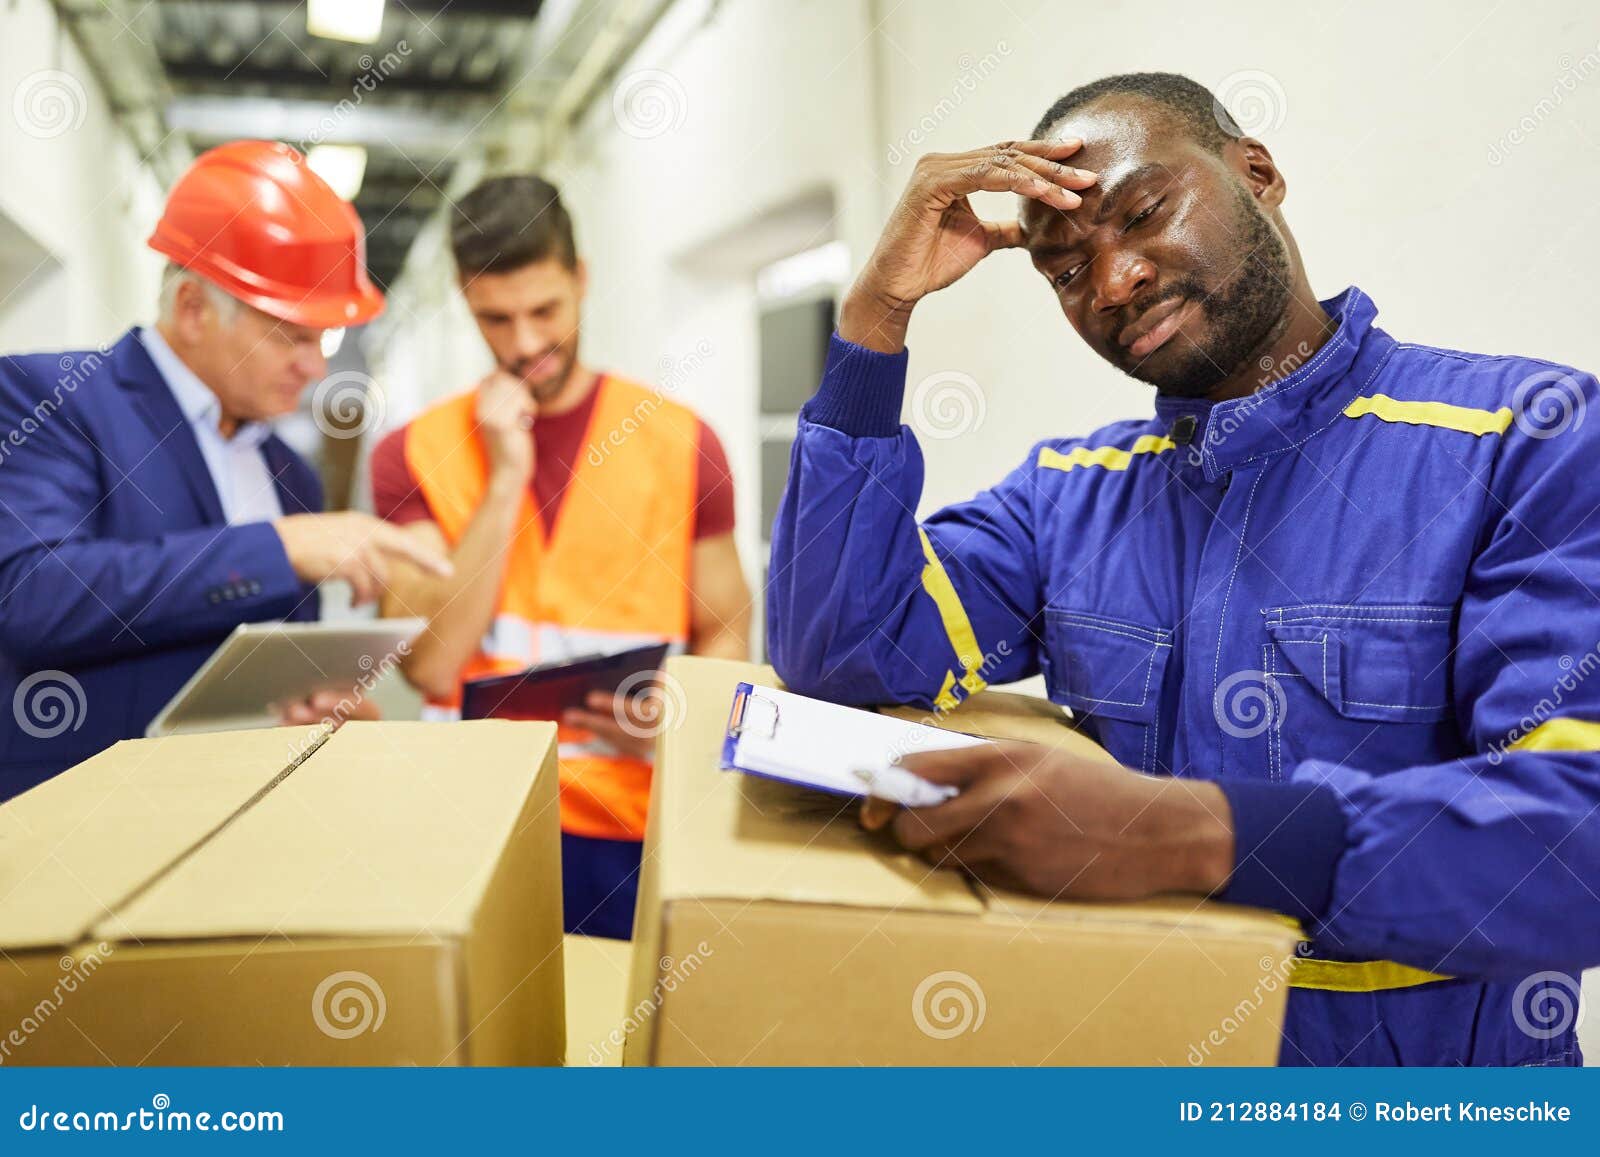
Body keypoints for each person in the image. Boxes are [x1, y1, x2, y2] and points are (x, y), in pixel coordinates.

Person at [768, 72, 1600, 1066]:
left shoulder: (1524, 441)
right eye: (1066, 271)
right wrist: (874, 319)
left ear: (1259, 173)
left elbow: (1576, 837)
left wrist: (1188, 834)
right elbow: (839, 653)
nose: (1113, 281)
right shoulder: (1068, 496)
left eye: (1142, 213)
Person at [0, 141, 449, 800]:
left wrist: (311, 710)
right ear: (192, 309)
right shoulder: (54, 400)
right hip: (77, 820)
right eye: (292, 336)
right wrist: (278, 548)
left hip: (242, 820)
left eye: (323, 340)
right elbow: (32, 598)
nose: (316, 368)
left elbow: (258, 671)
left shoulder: (290, 475)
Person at [371, 175, 751, 939]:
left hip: (631, 825)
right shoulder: (411, 453)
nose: (524, 344)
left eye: (544, 311)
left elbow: (728, 630)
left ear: (581, 279)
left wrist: (680, 714)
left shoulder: (683, 443)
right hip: (475, 817)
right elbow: (431, 666)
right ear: (464, 297)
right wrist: (505, 476)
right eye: (495, 318)